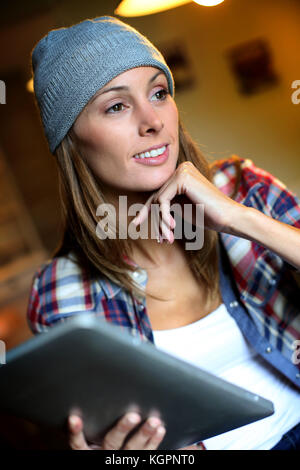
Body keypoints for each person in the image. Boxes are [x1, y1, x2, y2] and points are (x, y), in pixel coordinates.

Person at [27, 16, 300, 450]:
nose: (153, 121)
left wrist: (239, 219)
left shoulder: (243, 188)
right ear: (73, 141)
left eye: (159, 93)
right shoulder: (62, 291)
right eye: (116, 106)